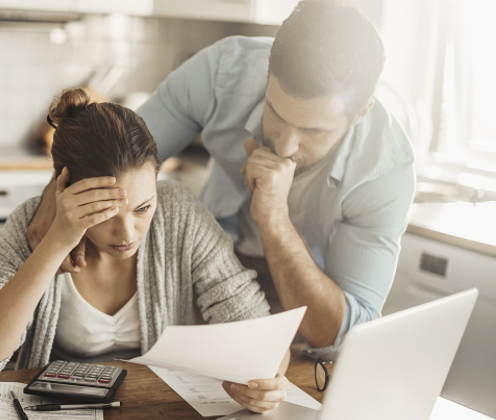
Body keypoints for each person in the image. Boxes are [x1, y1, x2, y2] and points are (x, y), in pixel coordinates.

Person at [28, 0, 416, 359]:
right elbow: (117, 154)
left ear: (362, 112)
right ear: (268, 71)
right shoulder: (222, 72)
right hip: (212, 266)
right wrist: (55, 195)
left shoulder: (385, 173)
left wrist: (275, 221)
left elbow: (344, 336)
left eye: (313, 130)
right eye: (277, 114)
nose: (283, 145)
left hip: (309, 292)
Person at [0, 88, 289, 413]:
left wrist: (269, 380)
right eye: (107, 215)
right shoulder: (30, 223)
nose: (128, 233)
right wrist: (55, 244)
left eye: (143, 208)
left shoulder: (178, 212)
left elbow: (256, 327)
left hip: (156, 413)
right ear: (65, 193)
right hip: (56, 416)